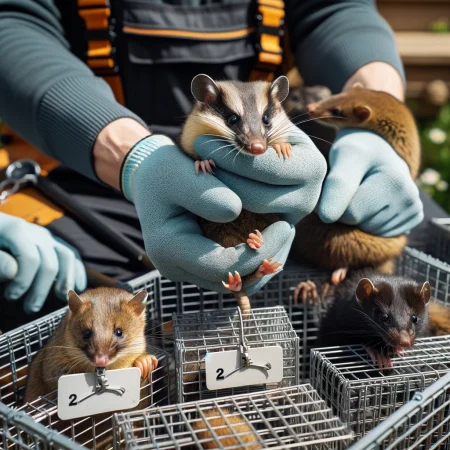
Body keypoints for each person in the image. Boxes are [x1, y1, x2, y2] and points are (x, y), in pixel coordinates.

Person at [0, 0, 429, 330]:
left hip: (277, 180)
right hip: (81, 164)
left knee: (413, 252)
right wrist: (133, 156)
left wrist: (378, 114)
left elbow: (333, 10)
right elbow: (14, 22)